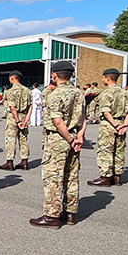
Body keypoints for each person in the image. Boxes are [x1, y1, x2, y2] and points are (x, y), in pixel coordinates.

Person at [30, 61, 84, 228]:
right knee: (71, 175)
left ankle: (52, 215)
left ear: (54, 75)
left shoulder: (56, 94)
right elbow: (83, 119)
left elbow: (58, 121)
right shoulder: (79, 93)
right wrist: (78, 137)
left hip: (59, 138)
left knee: (53, 177)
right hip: (74, 135)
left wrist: (69, 139)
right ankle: (70, 213)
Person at [87, 68, 128, 187]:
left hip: (109, 125)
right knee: (119, 151)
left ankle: (105, 177)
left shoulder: (106, 93)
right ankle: (117, 177)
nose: (102, 80)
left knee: (105, 151)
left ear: (107, 78)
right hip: (122, 123)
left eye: (103, 78)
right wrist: (125, 125)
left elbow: (106, 112)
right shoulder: (124, 93)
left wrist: (115, 125)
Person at [0, 70, 31, 171]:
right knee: (23, 139)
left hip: (13, 117)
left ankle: (10, 162)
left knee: (11, 139)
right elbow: (30, 106)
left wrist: (17, 121)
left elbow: (12, 107)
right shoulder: (27, 91)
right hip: (24, 115)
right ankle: (24, 161)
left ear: (12, 78)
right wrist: (26, 120)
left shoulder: (10, 91)